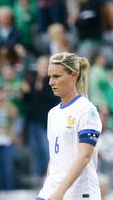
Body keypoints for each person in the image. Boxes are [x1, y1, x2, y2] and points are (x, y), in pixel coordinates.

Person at [36, 52, 103, 200]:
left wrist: (61, 190)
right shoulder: (52, 113)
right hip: (52, 190)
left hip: (80, 193)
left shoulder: (86, 110)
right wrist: (49, 187)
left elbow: (85, 156)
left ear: (74, 75)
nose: (50, 82)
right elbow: (54, 157)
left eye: (57, 76)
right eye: (50, 76)